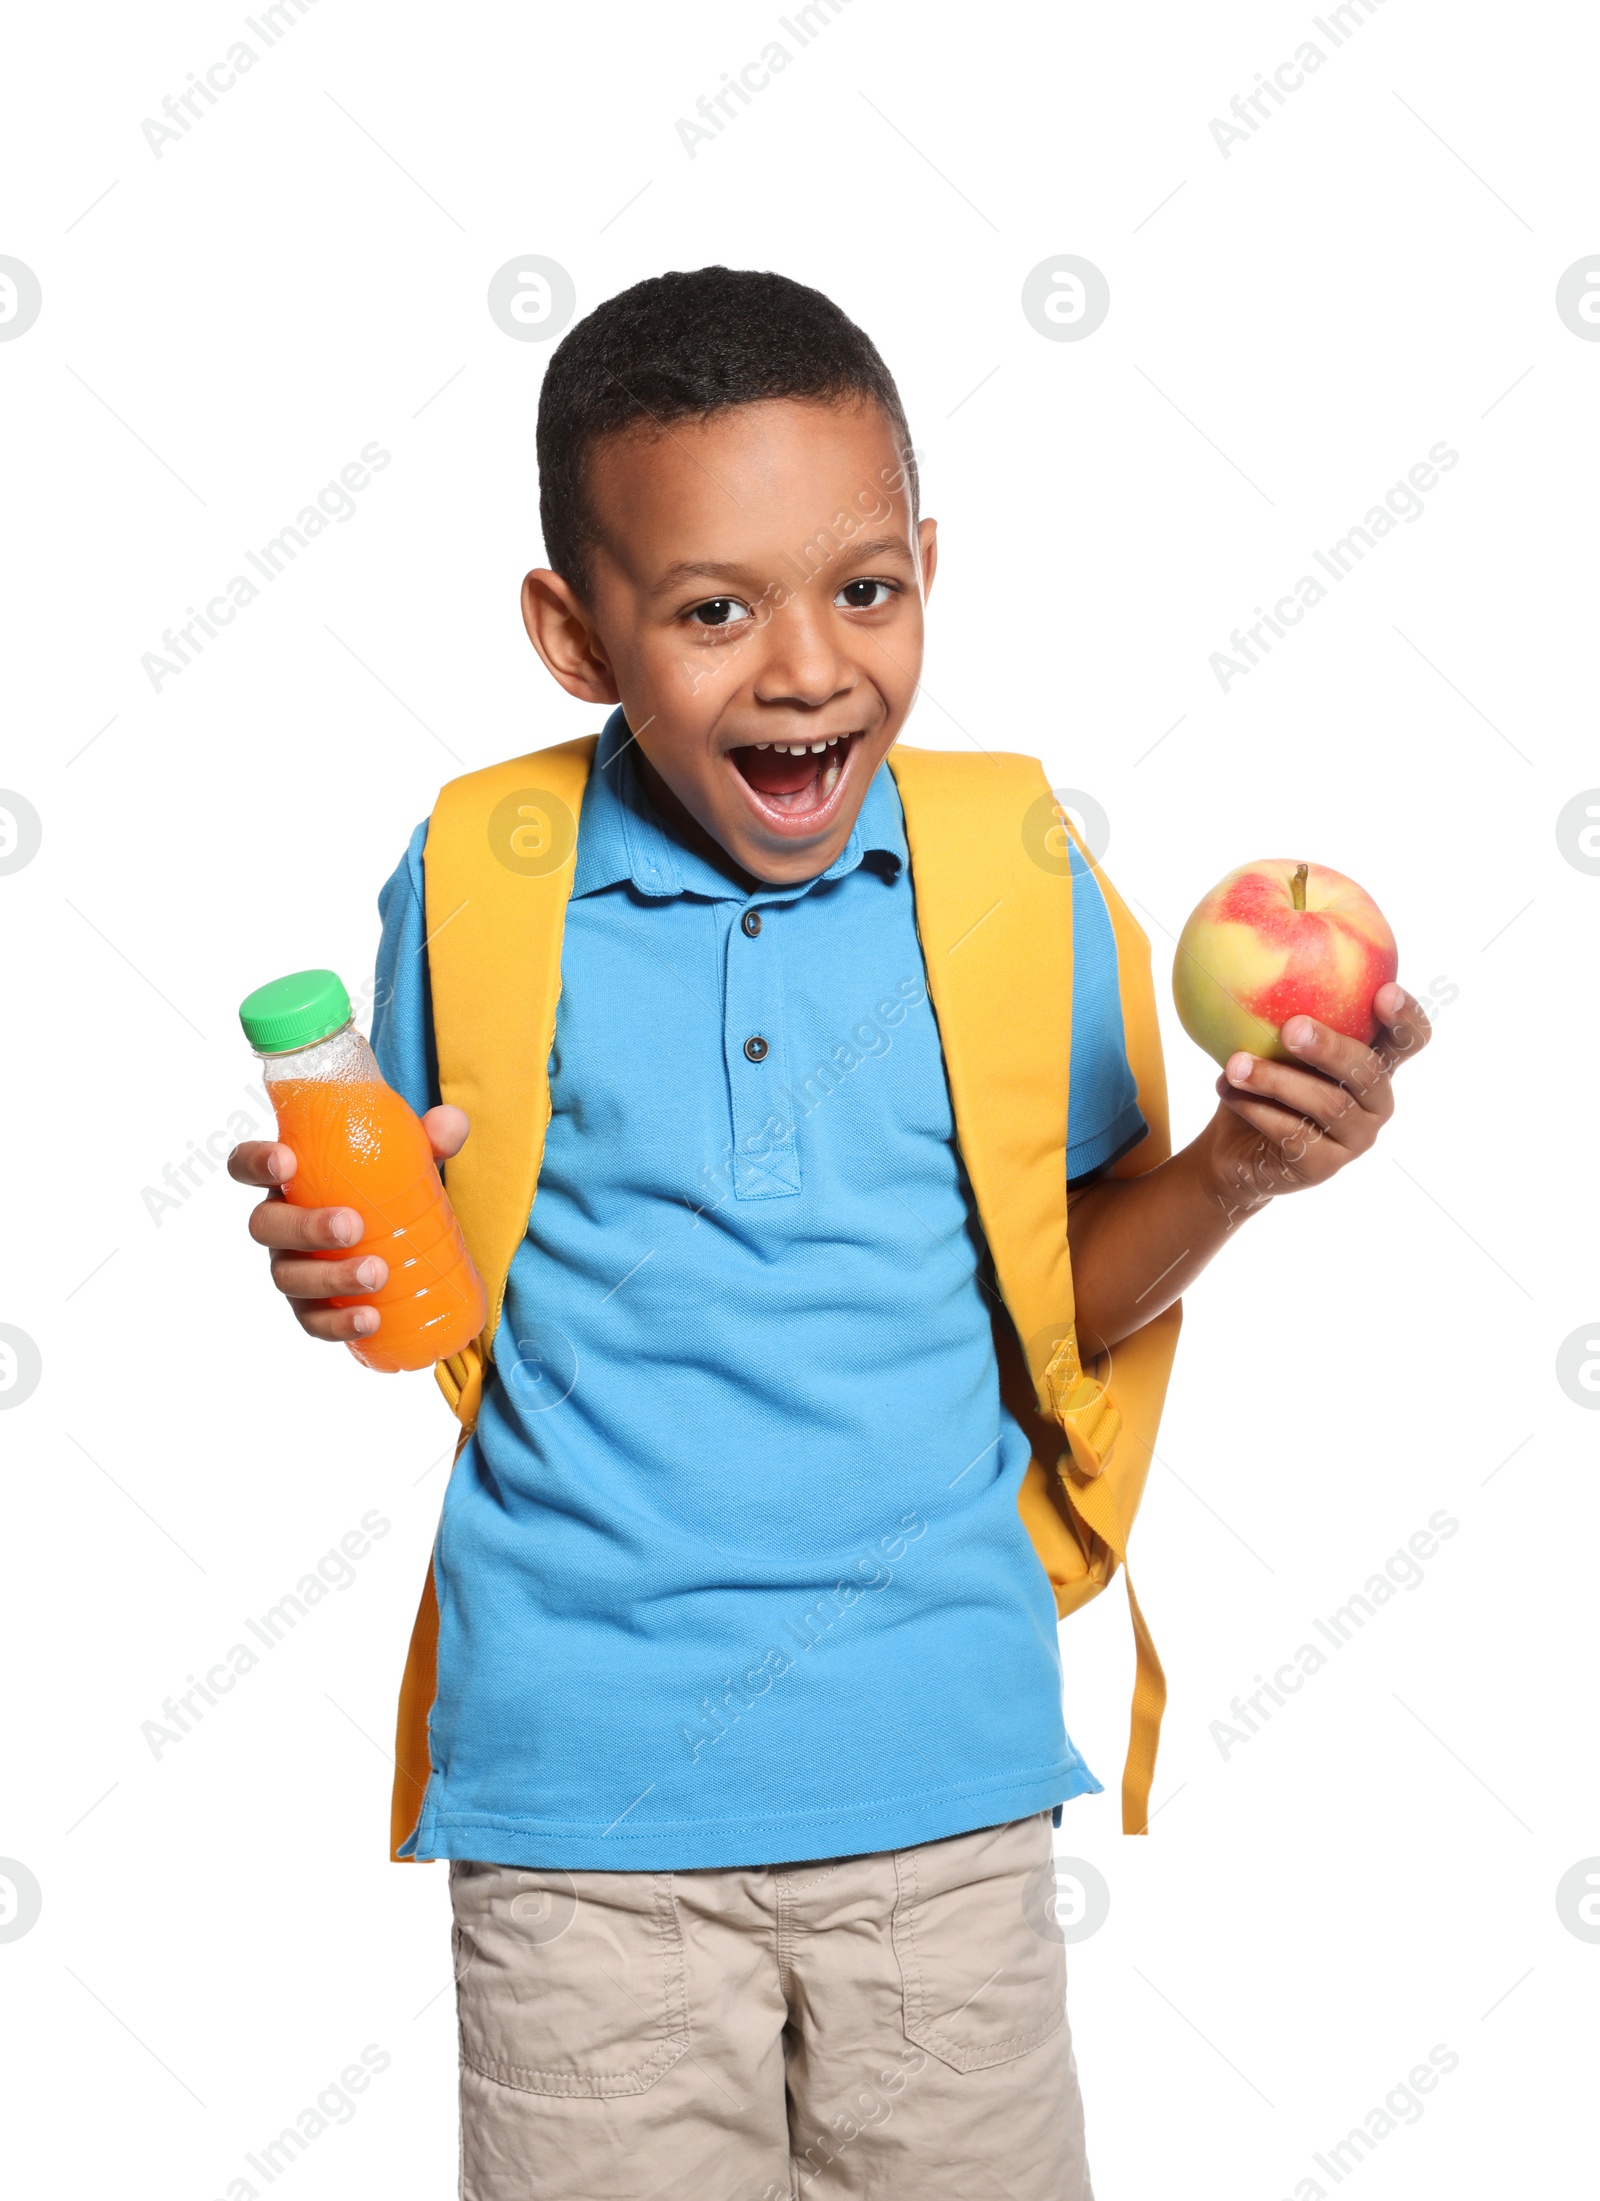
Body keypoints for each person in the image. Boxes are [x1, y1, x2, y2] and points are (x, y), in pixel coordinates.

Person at [229, 266, 1431, 2199]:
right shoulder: (479, 871)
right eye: (712, 609)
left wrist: (1236, 1168)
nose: (806, 667)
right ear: (571, 629)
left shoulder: (1014, 865)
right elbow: (429, 1270)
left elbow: (1065, 1287)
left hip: (940, 1795)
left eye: (865, 588)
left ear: (931, 566)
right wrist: (336, 1257)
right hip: (578, 1814)